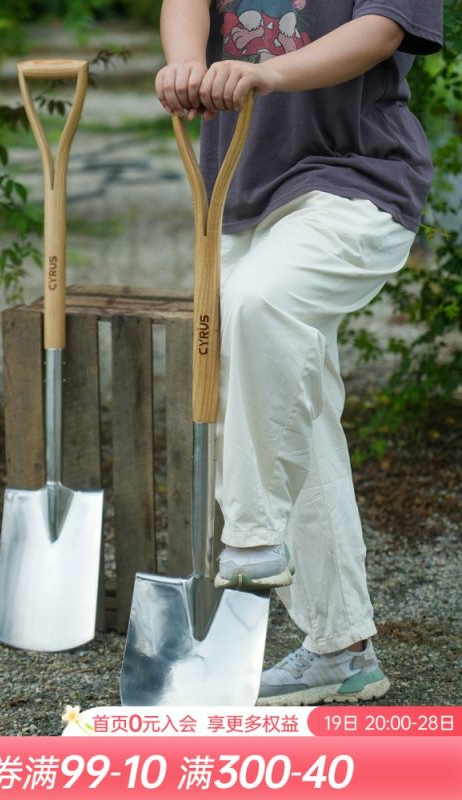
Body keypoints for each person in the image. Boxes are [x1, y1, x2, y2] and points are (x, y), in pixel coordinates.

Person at [155, 0, 443, 705]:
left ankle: (251, 540)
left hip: (359, 179)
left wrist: (266, 75)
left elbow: (380, 31)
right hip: (241, 190)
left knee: (261, 303)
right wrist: (185, 62)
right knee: (285, 395)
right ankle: (340, 645)